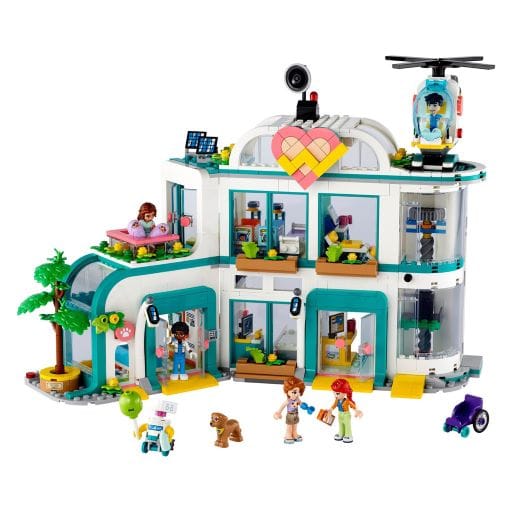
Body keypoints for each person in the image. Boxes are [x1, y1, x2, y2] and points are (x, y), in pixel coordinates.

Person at [328, 378, 363, 443]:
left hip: (346, 414)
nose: (335, 395)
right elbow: (334, 406)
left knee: (347, 425)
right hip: (340, 414)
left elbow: (352, 405)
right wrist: (330, 410)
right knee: (340, 424)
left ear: (344, 392)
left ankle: (348, 435)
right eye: (334, 393)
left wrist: (357, 411)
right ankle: (341, 433)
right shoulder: (337, 400)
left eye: (337, 393)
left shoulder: (347, 401)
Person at [273, 376, 305, 444]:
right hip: (290, 415)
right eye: (294, 392)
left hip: (296, 414)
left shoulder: (297, 399)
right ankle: (288, 435)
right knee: (289, 426)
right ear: (288, 391)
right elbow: (282, 406)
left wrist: (306, 407)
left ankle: (294, 434)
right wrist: (278, 413)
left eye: (298, 392)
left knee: (295, 425)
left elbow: (301, 404)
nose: (296, 394)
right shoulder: (288, 401)